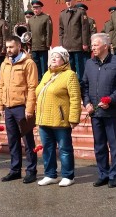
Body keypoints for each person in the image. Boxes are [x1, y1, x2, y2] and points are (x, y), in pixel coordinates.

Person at [80, 33, 116, 188]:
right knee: (99, 145)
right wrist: (87, 103)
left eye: (95, 45)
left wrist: (111, 100)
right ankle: (103, 174)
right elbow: (85, 85)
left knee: (114, 145)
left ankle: (114, 176)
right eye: (92, 45)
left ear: (105, 46)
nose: (93, 48)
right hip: (95, 112)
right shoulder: (89, 63)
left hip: (111, 112)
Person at [35, 46, 81, 187]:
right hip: (44, 119)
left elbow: (75, 98)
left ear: (65, 60)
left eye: (57, 57)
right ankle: (50, 174)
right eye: (52, 57)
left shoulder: (70, 75)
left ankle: (68, 175)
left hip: (60, 119)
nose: (53, 59)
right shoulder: (47, 74)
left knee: (64, 149)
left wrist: (74, 118)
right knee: (47, 149)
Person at [0, 36, 39, 183]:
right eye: (7, 47)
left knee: (28, 141)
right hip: (8, 107)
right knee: (13, 141)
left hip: (22, 108)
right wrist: (0, 106)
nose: (8, 50)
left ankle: (31, 170)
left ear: (19, 46)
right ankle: (15, 170)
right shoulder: (4, 64)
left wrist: (30, 108)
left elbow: (33, 87)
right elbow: (1, 85)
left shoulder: (28, 63)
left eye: (11, 47)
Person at [59, 0, 90, 80]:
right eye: (66, 0)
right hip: (67, 45)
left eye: (70, 0)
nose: (68, 2)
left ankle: (81, 85)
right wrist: (61, 44)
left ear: (74, 0)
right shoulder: (62, 14)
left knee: (80, 67)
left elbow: (84, 29)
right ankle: (72, 84)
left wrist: (85, 43)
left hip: (78, 44)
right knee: (70, 67)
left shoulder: (80, 12)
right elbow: (61, 30)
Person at [27, 0, 53, 81]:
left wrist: (48, 43)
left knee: (43, 64)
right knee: (36, 64)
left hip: (43, 45)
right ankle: (38, 79)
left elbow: (49, 31)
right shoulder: (30, 20)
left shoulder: (46, 18)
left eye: (37, 8)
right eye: (34, 8)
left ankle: (45, 79)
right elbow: (29, 33)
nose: (35, 10)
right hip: (34, 45)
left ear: (41, 8)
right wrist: (29, 43)